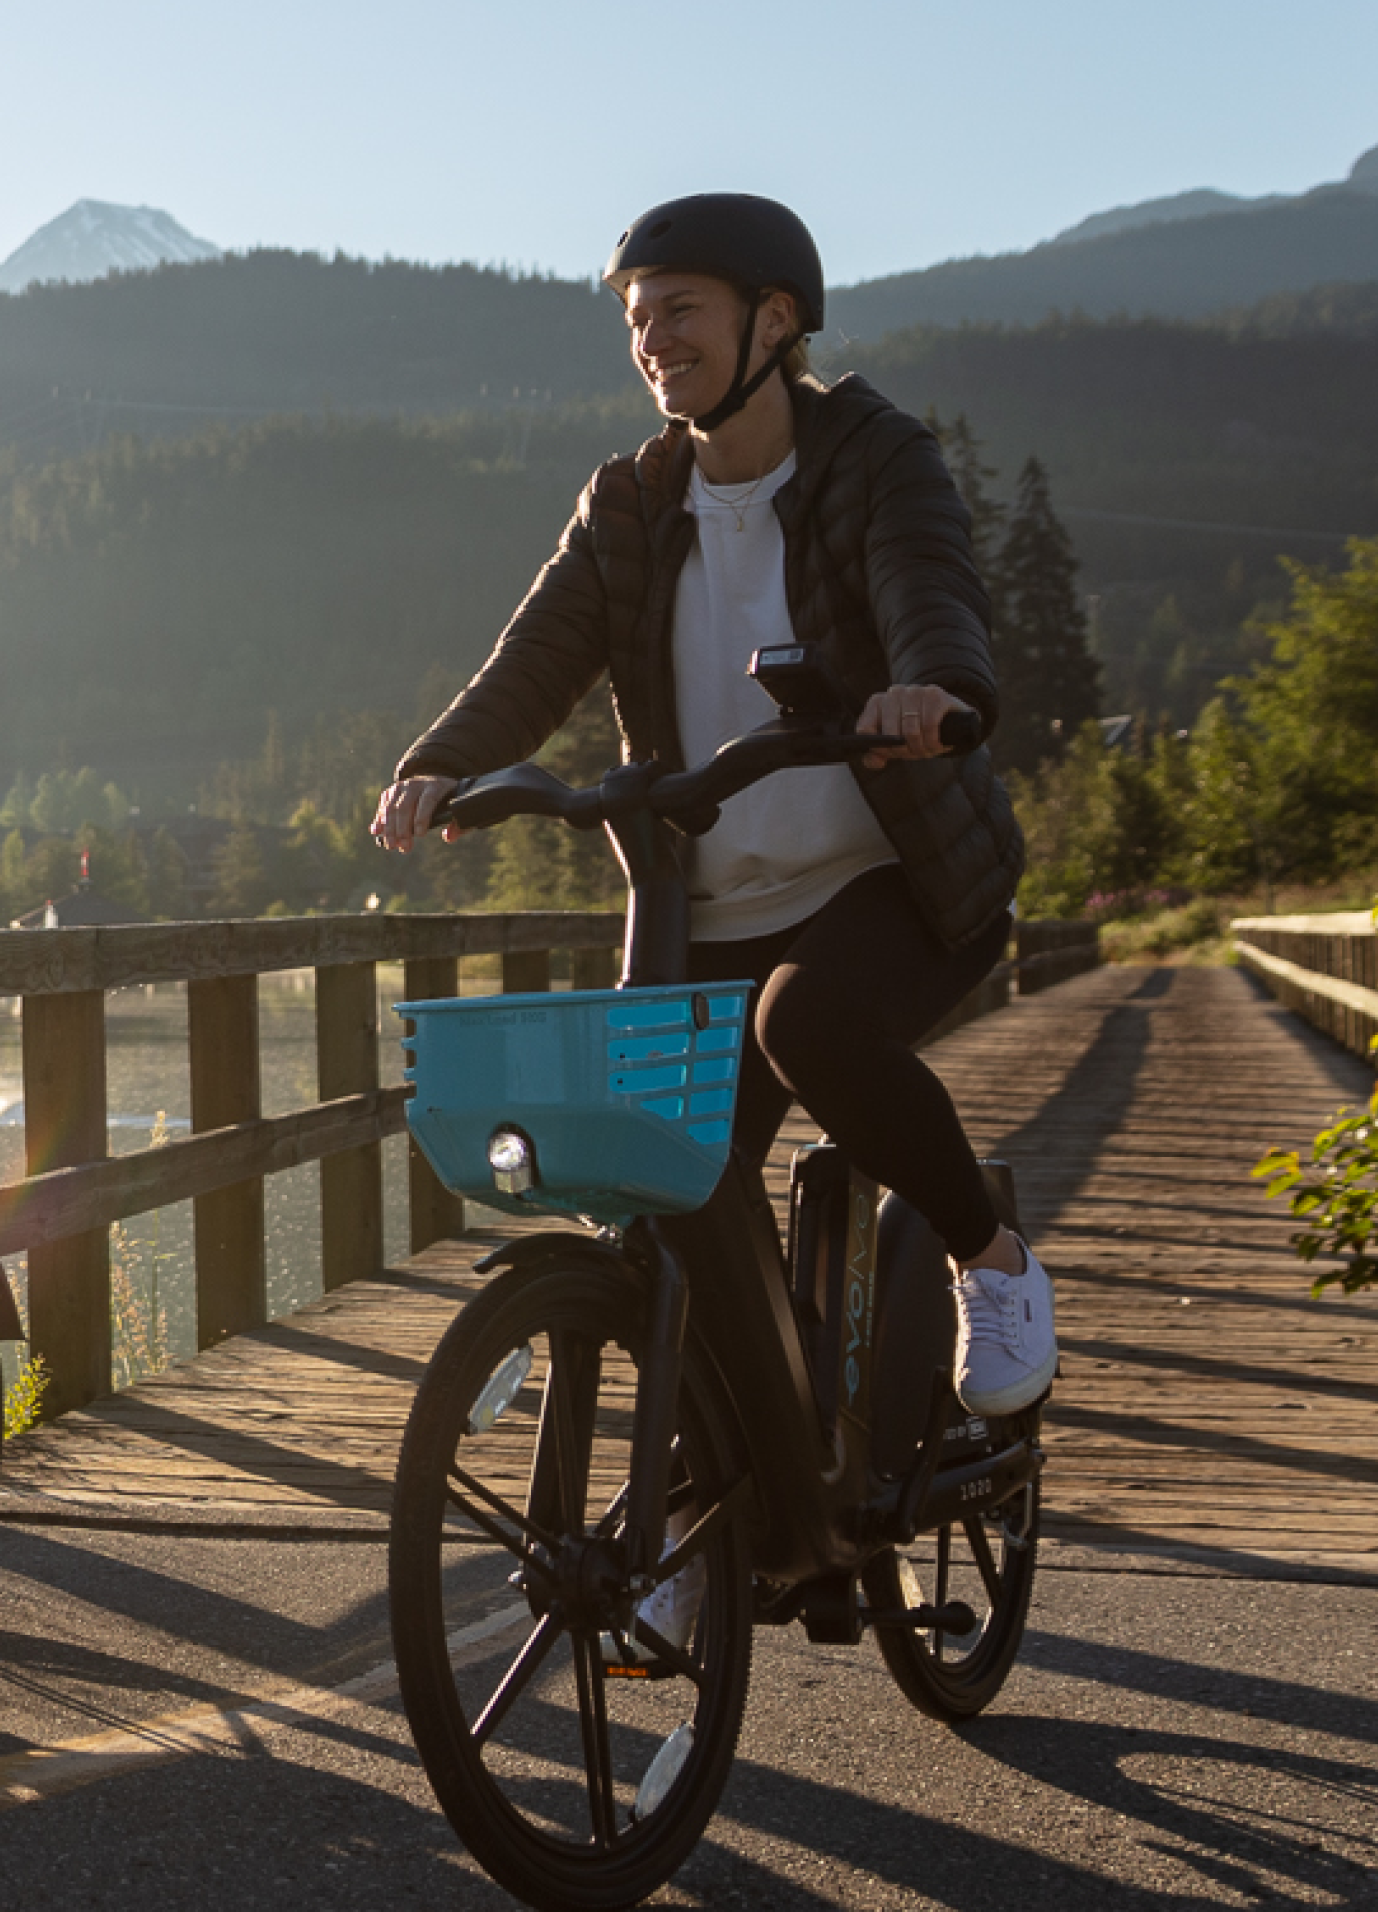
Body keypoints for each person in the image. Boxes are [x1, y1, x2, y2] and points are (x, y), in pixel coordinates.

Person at [369, 193, 1060, 1438]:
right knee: (665, 1201)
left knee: (811, 1023)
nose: (652, 340)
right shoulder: (630, 502)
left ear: (773, 320)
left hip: (894, 879)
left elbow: (928, 593)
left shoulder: (871, 458)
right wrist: (439, 764)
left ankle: (989, 1258)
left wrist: (936, 694)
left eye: (679, 309)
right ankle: (705, 1525)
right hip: (710, 903)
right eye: (636, 319)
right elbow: (533, 660)